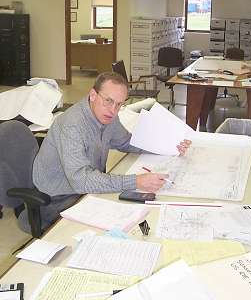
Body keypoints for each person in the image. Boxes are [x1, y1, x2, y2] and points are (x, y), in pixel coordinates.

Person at [18, 72, 191, 232]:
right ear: (93, 95)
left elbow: (126, 142)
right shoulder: (71, 126)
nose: (113, 110)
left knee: (139, 213)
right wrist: (135, 181)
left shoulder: (108, 115)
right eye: (108, 101)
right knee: (120, 228)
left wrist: (170, 145)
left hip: (86, 191)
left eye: (119, 104)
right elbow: (81, 180)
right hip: (58, 199)